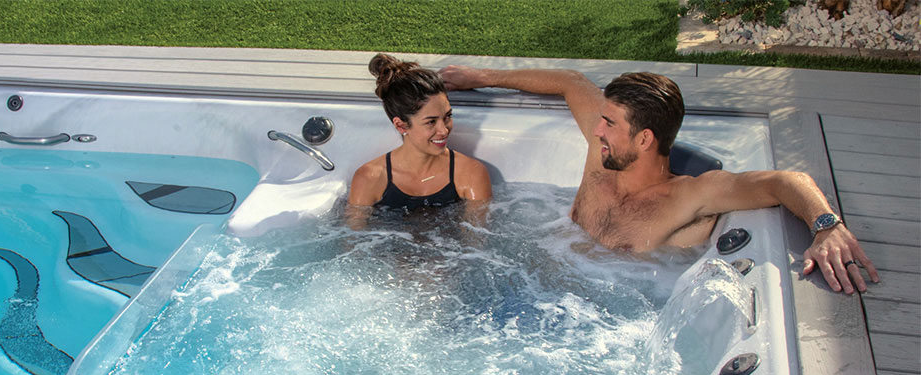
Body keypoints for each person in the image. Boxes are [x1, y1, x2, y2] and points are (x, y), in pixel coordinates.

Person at [439, 65, 879, 294]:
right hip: (533, 285)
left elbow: (785, 180)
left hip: (603, 326)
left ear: (645, 138)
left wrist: (826, 226)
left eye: (609, 124)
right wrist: (478, 78)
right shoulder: (604, 155)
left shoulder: (690, 197)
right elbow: (570, 82)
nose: (596, 130)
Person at [347, 54, 492, 229]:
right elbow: (353, 245)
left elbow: (476, 246)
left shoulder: (471, 174)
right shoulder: (369, 178)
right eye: (431, 122)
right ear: (401, 126)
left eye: (447, 117)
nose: (444, 130)